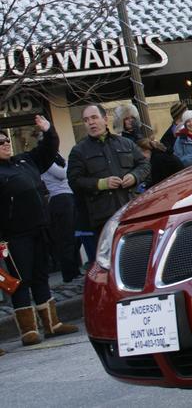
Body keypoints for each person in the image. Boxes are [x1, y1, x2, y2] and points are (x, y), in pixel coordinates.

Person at [1, 116, 79, 347]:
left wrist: (48, 130)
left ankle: (52, 324)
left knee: (40, 276)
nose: (6, 143)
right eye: (0, 142)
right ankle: (29, 330)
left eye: (6, 140)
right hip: (14, 236)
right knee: (19, 281)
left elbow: (46, 150)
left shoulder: (24, 161)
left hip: (40, 229)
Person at [68, 105, 151, 239]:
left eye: (94, 117)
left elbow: (144, 165)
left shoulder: (125, 143)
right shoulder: (79, 151)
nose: (91, 122)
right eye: (86, 120)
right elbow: (74, 181)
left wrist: (134, 176)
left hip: (131, 211)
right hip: (102, 219)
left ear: (105, 119)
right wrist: (101, 184)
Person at [40, 153, 81, 283]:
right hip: (59, 198)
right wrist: (70, 167)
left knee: (76, 236)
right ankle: (69, 274)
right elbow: (63, 174)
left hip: (69, 196)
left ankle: (75, 270)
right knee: (66, 238)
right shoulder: (46, 160)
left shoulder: (58, 158)